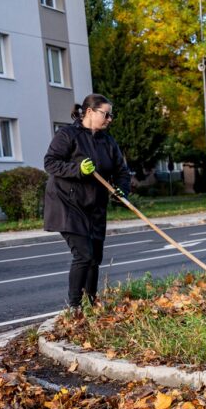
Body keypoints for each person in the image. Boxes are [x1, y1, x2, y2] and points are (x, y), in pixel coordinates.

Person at [43, 93, 131, 312]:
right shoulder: (67, 135)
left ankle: (90, 304)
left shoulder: (108, 141)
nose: (110, 119)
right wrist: (77, 169)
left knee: (95, 258)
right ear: (90, 112)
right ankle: (75, 306)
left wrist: (122, 190)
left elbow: (122, 171)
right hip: (68, 205)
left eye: (111, 115)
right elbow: (50, 163)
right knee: (84, 255)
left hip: (95, 207)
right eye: (106, 114)